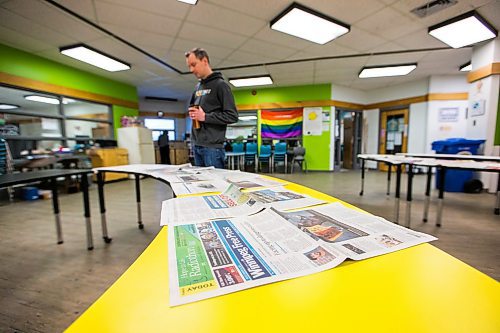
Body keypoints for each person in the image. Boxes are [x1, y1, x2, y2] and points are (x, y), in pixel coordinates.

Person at [185, 48, 238, 168]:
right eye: (189, 66)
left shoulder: (221, 85)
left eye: (193, 65)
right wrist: (194, 114)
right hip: (197, 145)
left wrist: (205, 117)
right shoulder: (197, 87)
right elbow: (193, 108)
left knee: (216, 186)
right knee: (201, 186)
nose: (191, 70)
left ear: (204, 61)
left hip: (212, 149)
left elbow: (232, 116)